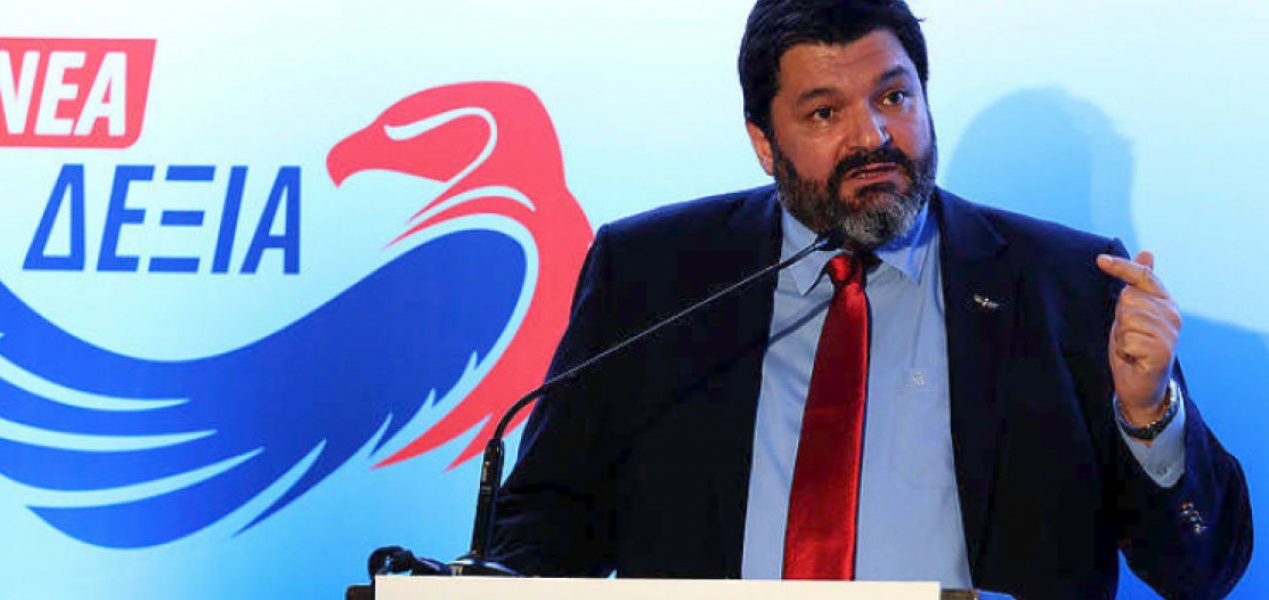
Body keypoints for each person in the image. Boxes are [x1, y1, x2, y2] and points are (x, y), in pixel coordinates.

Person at [489, 1, 1252, 598]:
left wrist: (1148, 413)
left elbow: (1203, 571)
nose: (874, 136)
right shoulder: (652, 275)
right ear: (763, 141)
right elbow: (548, 521)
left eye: (894, 95)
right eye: (825, 112)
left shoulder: (1067, 285)